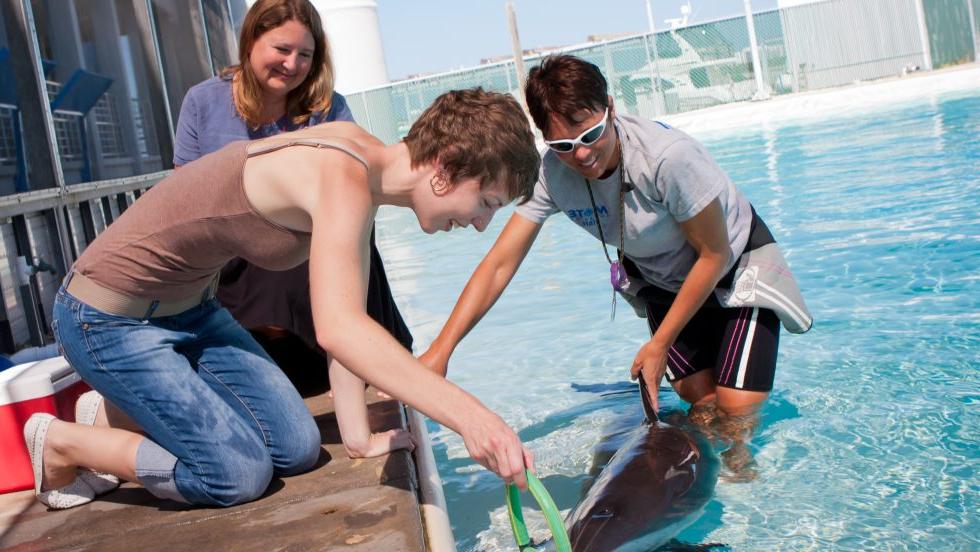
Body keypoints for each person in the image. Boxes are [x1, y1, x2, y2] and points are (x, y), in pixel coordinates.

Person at [24, 87, 539, 510]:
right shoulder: (344, 177)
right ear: (445, 168)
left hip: (192, 312)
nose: (480, 224)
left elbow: (350, 322)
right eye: (487, 202)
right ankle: (64, 445)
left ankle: (114, 411)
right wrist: (475, 419)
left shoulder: (365, 170)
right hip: (106, 318)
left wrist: (358, 440)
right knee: (234, 475)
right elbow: (339, 330)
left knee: (296, 448)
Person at [420, 55, 811, 479]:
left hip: (736, 273)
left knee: (735, 414)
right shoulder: (550, 174)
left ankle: (747, 490)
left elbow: (714, 254)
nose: (582, 154)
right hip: (663, 282)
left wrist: (659, 345)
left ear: (610, 105)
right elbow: (499, 264)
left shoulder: (668, 158)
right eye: (564, 145)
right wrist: (441, 351)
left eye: (590, 133)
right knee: (700, 404)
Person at [173, 0, 412, 457]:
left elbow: (362, 180)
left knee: (348, 233)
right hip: (235, 257)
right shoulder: (202, 101)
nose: (293, 64)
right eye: (282, 48)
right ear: (250, 42)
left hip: (310, 251)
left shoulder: (329, 107)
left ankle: (365, 359)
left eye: (306, 54)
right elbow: (185, 197)